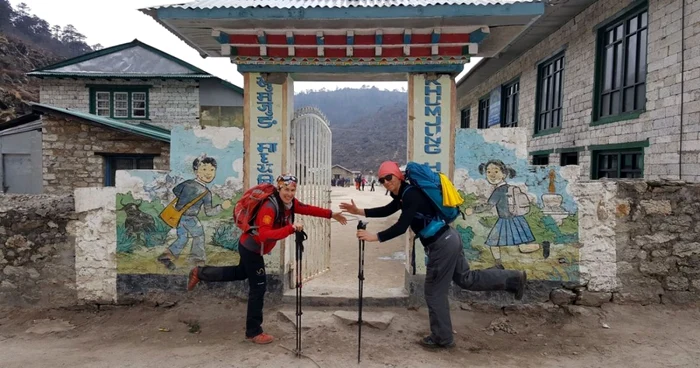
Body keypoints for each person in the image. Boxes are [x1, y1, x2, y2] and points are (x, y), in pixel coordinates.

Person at [340, 161, 527, 349]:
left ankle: (442, 338)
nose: (386, 182)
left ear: (398, 176)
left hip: (442, 245)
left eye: (389, 177)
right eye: (382, 180)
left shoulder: (410, 194)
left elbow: (401, 226)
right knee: (465, 279)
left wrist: (375, 237)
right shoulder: (403, 194)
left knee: (434, 292)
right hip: (449, 239)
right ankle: (512, 279)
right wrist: (359, 211)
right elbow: (387, 209)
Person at [187, 174, 348, 344]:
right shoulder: (270, 208)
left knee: (240, 272)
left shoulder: (289, 204)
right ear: (279, 188)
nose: (290, 193)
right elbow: (264, 235)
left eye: (293, 190)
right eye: (286, 189)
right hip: (251, 249)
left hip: (250, 247)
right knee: (258, 288)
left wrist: (331, 214)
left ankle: (200, 272)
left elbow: (307, 208)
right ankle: (254, 332)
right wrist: (290, 228)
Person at [157, 156, 231, 269]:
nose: (209, 173)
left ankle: (166, 256)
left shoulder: (186, 183)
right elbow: (209, 212)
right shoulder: (206, 193)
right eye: (204, 169)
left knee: (183, 238)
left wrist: (184, 200)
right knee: (199, 236)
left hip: (178, 216)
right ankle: (197, 261)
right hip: (190, 218)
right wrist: (222, 207)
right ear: (196, 171)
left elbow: (175, 190)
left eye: (212, 170)